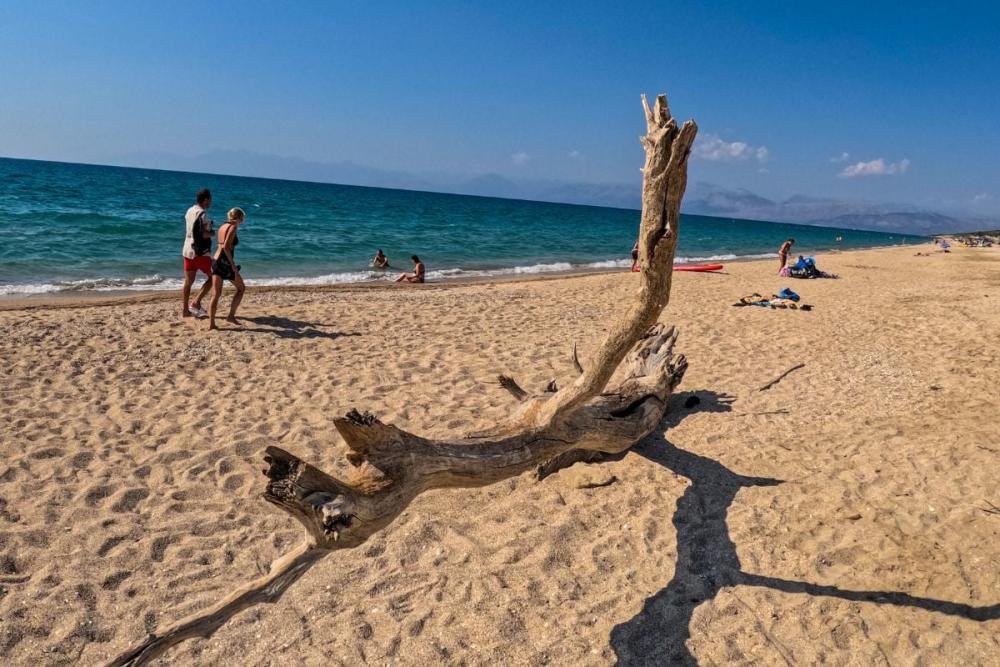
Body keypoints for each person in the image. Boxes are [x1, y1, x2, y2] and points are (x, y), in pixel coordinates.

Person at [208, 208, 247, 330]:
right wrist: (233, 265)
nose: (243, 220)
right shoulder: (233, 227)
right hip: (225, 263)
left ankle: (212, 324)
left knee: (216, 294)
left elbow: (220, 244)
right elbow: (225, 247)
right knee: (241, 288)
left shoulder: (223, 226)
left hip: (215, 260)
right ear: (239, 217)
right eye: (243, 218)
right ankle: (230, 316)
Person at [182, 188, 215, 318]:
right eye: (210, 199)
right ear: (206, 200)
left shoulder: (190, 210)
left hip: (187, 250)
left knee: (188, 282)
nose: (211, 202)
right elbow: (204, 234)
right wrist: (213, 232)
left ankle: (185, 310)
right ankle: (196, 303)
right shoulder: (203, 214)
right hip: (200, 252)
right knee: (213, 277)